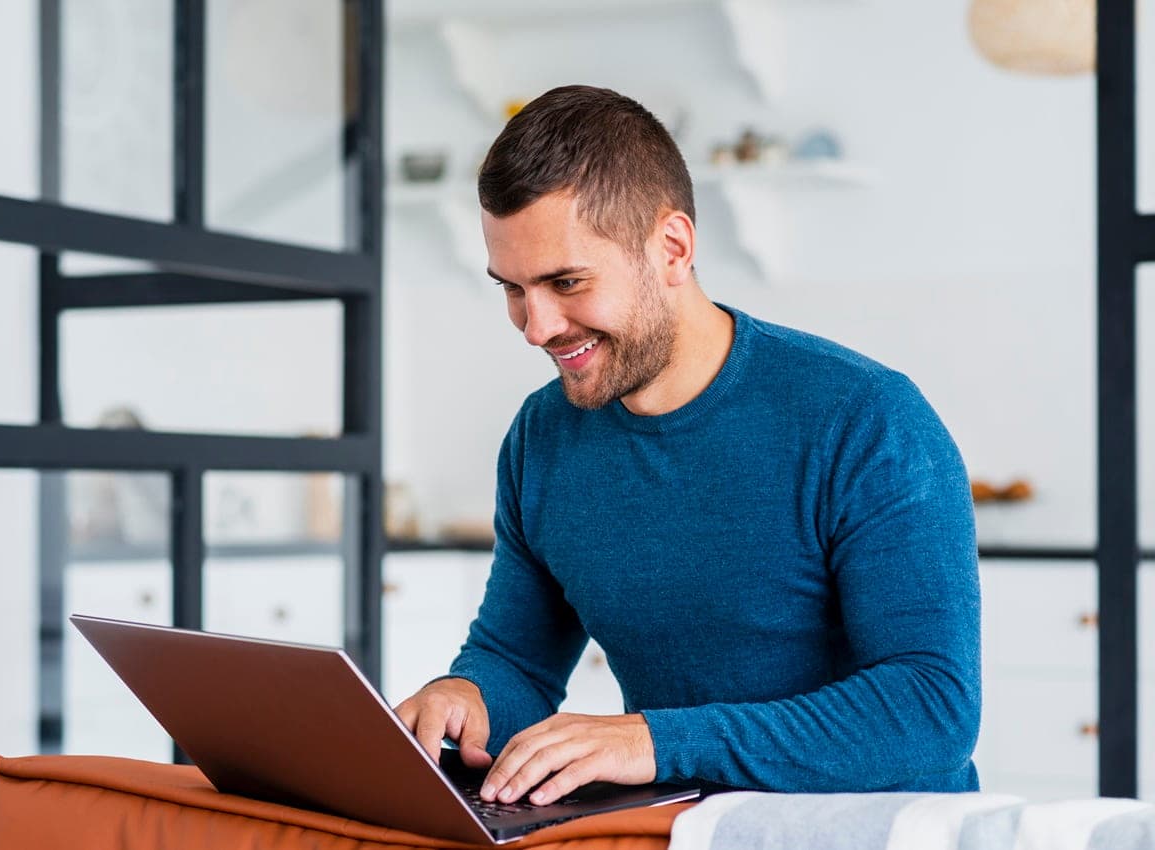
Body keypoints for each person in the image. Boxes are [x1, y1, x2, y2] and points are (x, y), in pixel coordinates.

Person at [393, 85, 980, 807]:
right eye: (512, 288)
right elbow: (516, 659)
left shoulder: (865, 418)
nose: (536, 327)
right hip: (685, 829)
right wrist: (465, 695)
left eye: (566, 282)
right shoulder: (542, 438)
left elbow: (931, 709)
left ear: (672, 248)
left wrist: (655, 741)